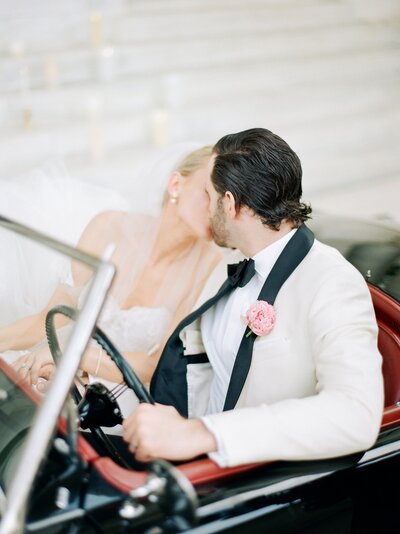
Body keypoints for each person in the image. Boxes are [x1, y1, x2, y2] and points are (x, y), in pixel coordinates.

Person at [122, 127, 384, 466]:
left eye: (208, 195)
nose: (206, 207)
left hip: (248, 481)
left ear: (229, 204)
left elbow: (356, 414)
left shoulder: (332, 283)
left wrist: (204, 434)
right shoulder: (229, 260)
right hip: (175, 451)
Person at [0, 145, 222, 421]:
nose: (216, 207)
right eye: (208, 192)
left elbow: (157, 366)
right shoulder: (108, 228)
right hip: (56, 365)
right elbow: (50, 318)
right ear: (176, 184)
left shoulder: (211, 267)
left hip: (121, 400)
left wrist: (73, 358)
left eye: (224, 198)